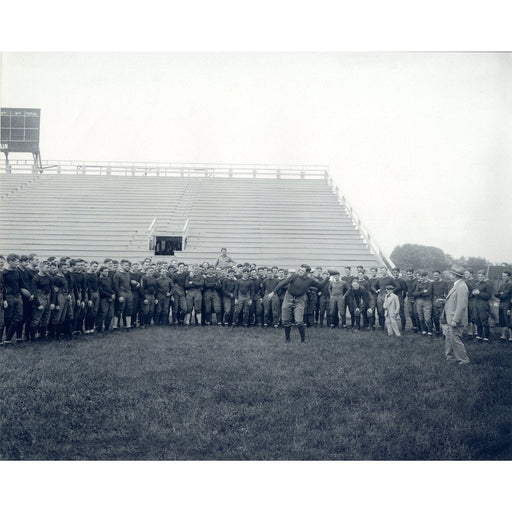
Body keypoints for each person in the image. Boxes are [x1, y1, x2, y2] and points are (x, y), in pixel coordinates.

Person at [268, 264, 329, 343]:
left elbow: (320, 285)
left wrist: (327, 277)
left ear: (306, 273)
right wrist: (273, 292)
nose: (300, 272)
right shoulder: (294, 276)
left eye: (302, 271)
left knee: (299, 321)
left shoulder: (310, 280)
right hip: (288, 298)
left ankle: (303, 341)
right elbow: (282, 283)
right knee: (285, 321)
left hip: (299, 300)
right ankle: (287, 339)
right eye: (299, 270)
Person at [442, 264, 470, 365]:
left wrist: (455, 320)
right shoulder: (456, 285)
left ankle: (464, 360)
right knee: (449, 339)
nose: (449, 274)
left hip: (455, 319)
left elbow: (461, 305)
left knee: (455, 339)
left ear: (454, 275)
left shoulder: (462, 286)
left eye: (450, 273)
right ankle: (450, 358)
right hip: (451, 317)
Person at [495, 270, 512, 341]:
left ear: (509, 276)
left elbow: (505, 295)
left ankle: (511, 337)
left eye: (505, 276)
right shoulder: (502, 285)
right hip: (501, 304)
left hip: (508, 304)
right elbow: (496, 293)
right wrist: (500, 294)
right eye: (502, 276)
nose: (503, 277)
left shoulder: (510, 285)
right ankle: (503, 335)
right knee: (502, 319)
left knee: (508, 320)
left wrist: (510, 308)